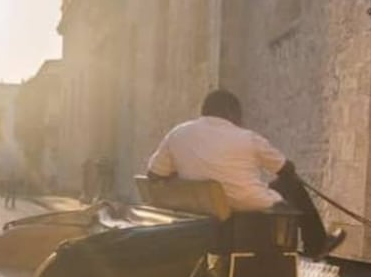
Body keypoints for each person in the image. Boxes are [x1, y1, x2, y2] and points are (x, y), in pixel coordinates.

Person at [146, 89, 342, 258]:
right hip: (246, 206)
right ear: (230, 112)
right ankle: (316, 244)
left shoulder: (178, 134)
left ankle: (315, 245)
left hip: (205, 210)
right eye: (239, 115)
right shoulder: (247, 138)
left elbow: (154, 175)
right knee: (291, 184)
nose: (241, 120)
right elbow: (285, 169)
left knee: (272, 187)